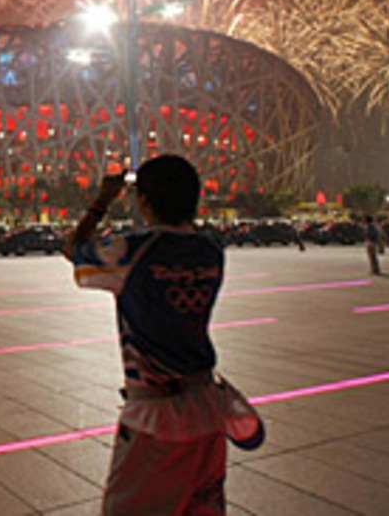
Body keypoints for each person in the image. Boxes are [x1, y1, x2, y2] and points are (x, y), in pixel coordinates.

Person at [66, 155, 259, 515]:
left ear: (143, 201)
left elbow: (73, 250)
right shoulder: (210, 251)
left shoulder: (131, 251)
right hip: (208, 407)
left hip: (156, 419)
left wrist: (102, 200)